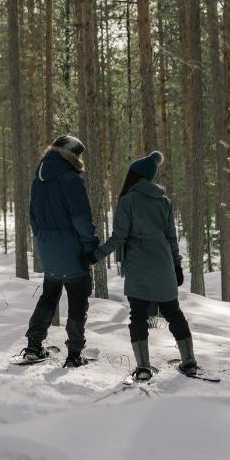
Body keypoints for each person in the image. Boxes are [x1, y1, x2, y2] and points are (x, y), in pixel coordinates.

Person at [84, 150, 198, 380]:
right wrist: (177, 266)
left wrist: (96, 255)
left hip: (138, 265)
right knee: (173, 312)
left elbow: (119, 237)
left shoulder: (128, 200)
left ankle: (144, 367)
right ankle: (189, 361)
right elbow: (171, 238)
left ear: (134, 175)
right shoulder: (164, 201)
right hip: (164, 263)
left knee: (138, 315)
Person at [21, 134, 99, 368]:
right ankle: (74, 354)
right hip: (72, 249)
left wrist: (43, 239)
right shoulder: (70, 179)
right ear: (72, 155)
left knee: (49, 295)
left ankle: (34, 345)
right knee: (78, 299)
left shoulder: (38, 179)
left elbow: (33, 217)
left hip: (48, 249)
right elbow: (81, 218)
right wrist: (90, 245)